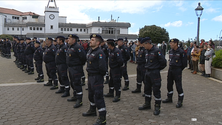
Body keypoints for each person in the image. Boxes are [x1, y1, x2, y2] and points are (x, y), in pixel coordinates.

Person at [82, 34, 107, 125]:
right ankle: (92, 111)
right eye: (90, 40)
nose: (90, 41)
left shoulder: (99, 53)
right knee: (91, 95)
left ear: (97, 43)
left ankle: (102, 117)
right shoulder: (90, 51)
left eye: (92, 40)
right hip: (91, 76)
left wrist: (98, 76)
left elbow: (103, 68)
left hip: (97, 77)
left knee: (98, 97)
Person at [138, 37, 166, 116]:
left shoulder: (157, 51)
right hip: (147, 72)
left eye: (144, 44)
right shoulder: (146, 51)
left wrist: (156, 69)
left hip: (155, 73)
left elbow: (163, 63)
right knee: (147, 89)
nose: (143, 46)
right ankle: (147, 104)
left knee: (156, 90)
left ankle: (157, 106)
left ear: (148, 43)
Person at [162, 38, 187, 108]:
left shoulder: (181, 52)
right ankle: (169, 98)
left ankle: (180, 101)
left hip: (177, 70)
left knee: (178, 85)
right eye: (170, 43)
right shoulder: (170, 51)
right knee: (169, 84)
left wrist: (179, 69)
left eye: (172, 43)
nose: (170, 44)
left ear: (176, 43)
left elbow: (184, 64)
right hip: (170, 69)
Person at [66, 34, 86, 108]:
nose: (68, 40)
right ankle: (75, 96)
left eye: (69, 38)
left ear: (74, 40)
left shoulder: (78, 47)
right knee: (72, 82)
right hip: (71, 68)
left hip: (76, 68)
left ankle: (79, 100)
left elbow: (83, 58)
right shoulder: (70, 47)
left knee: (77, 83)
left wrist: (79, 65)